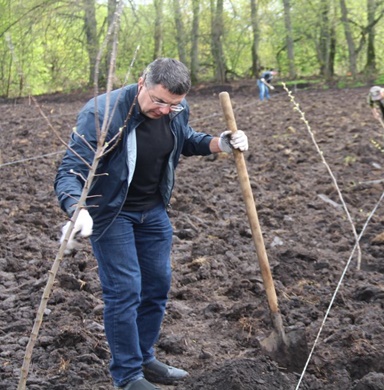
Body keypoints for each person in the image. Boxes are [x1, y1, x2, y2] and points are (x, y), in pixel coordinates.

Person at [55, 58, 249, 390]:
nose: (164, 110)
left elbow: (184, 139)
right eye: (158, 101)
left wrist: (220, 143)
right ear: (143, 82)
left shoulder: (176, 109)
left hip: (153, 211)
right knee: (125, 290)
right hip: (111, 213)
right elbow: (70, 169)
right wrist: (77, 209)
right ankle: (128, 376)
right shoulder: (102, 114)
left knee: (157, 286)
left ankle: (144, 359)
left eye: (173, 105)